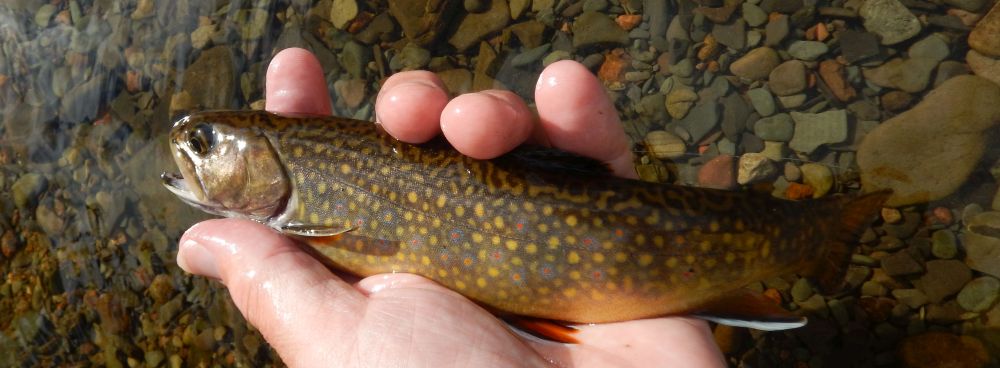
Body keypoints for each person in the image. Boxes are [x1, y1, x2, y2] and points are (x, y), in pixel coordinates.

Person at [175, 48, 726, 367]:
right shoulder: (297, 230)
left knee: (465, 125)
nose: (188, 150)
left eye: (203, 144)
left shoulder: (307, 224)